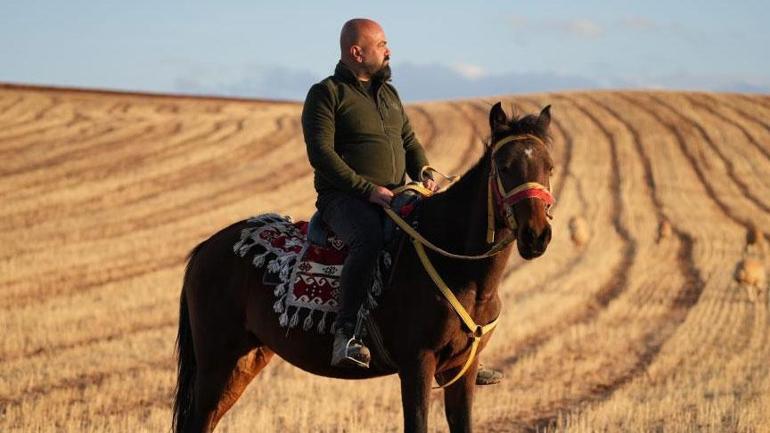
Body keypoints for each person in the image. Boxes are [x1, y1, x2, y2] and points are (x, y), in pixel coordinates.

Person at [302, 18, 503, 384]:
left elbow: (408, 140)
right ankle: (346, 335)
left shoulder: (389, 95)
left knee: (437, 238)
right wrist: (366, 190)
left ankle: (453, 352)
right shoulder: (326, 93)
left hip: (394, 195)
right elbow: (322, 155)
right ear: (356, 52)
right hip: (343, 199)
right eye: (381, 44)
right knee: (369, 240)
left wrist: (423, 170)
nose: (388, 50)